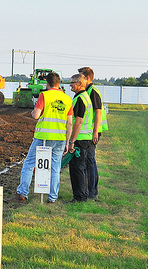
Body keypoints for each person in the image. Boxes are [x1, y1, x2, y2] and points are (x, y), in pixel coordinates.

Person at [8, 72, 73, 204]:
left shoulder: (45, 95)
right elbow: (70, 122)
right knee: (55, 168)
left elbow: (36, 115)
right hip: (60, 138)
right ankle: (52, 197)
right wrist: (68, 141)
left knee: (29, 164)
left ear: (47, 84)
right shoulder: (67, 99)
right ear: (59, 84)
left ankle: (22, 193)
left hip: (43, 137)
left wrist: (34, 111)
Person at [78, 67, 108, 201]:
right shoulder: (88, 90)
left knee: (90, 162)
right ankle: (91, 192)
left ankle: (92, 193)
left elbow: (98, 112)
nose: (79, 80)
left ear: (87, 78)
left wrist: (95, 131)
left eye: (80, 77)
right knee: (89, 161)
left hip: (93, 132)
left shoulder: (93, 91)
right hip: (91, 131)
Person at [67, 73, 94, 203]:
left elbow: (78, 121)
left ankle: (79, 197)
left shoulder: (80, 99)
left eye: (72, 82)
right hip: (85, 138)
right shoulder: (84, 97)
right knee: (81, 167)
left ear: (80, 84)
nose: (70, 85)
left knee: (77, 168)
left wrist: (72, 141)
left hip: (80, 139)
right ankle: (82, 195)